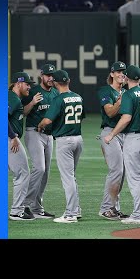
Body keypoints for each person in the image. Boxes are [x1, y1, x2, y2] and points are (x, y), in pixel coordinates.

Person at [103, 65, 140, 224]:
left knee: (135, 179)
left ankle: (138, 215)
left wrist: (112, 134)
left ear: (126, 78)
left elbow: (126, 118)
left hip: (135, 139)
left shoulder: (129, 95)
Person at [38, 70, 85, 223]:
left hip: (65, 141)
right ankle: (76, 210)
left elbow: (46, 121)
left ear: (56, 83)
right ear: (68, 81)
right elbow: (81, 117)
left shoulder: (59, 99)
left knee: (68, 178)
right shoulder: (78, 96)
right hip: (78, 138)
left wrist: (39, 125)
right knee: (72, 176)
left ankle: (70, 214)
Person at [21, 64, 58, 219]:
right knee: (39, 168)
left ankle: (37, 207)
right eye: (47, 75)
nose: (50, 78)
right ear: (41, 76)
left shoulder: (56, 93)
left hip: (49, 136)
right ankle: (25, 205)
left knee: (46, 173)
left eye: (52, 75)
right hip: (34, 132)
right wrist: (32, 103)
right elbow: (22, 112)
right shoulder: (34, 91)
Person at [97, 61, 130, 220]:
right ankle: (106, 208)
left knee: (121, 172)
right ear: (112, 74)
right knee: (116, 170)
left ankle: (114, 207)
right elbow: (109, 112)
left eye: (123, 71)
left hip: (124, 134)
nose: (122, 74)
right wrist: (120, 101)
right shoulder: (106, 90)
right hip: (110, 133)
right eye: (118, 71)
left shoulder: (126, 91)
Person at [8, 72, 36, 221]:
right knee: (23, 173)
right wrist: (13, 137)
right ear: (18, 83)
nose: (29, 88)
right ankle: (17, 211)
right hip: (9, 140)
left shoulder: (14, 98)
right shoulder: (12, 98)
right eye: (27, 84)